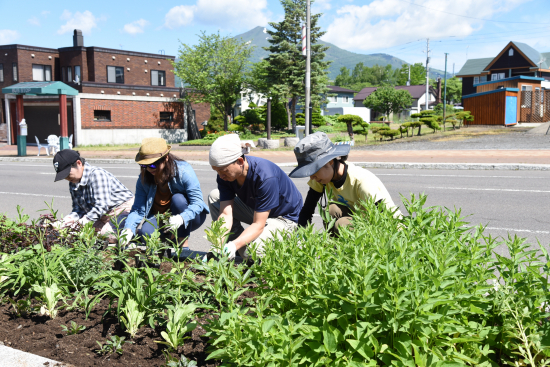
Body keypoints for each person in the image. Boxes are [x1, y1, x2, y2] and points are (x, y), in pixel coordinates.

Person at [208, 134, 303, 259]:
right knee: (215, 197)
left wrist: (234, 245)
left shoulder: (265, 176)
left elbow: (258, 224)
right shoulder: (225, 176)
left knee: (249, 251)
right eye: (217, 171)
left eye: (224, 171)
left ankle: (291, 245)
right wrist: (217, 246)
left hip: (285, 219)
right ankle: (235, 245)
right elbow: (226, 214)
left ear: (240, 161)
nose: (221, 176)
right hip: (260, 212)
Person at [289, 132, 401, 235]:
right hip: (360, 219)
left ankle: (348, 252)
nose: (312, 177)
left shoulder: (361, 181)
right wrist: (300, 236)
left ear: (330, 161)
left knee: (341, 224)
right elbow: (308, 209)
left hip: (387, 226)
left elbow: (384, 217)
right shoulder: (322, 179)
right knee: (330, 210)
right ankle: (337, 249)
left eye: (314, 170)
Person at [121, 138, 208, 250]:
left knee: (178, 199)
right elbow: (138, 209)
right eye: (144, 165)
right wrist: (128, 229)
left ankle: (183, 246)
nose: (148, 169)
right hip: (160, 217)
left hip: (190, 216)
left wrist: (181, 218)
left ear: (166, 158)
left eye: (153, 165)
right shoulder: (143, 179)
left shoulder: (183, 171)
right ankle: (170, 237)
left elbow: (198, 202)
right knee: (146, 233)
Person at [52, 149, 134, 239]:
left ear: (79, 163)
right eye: (64, 176)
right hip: (102, 215)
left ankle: (132, 230)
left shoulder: (97, 175)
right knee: (71, 230)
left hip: (121, 209)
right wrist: (64, 222)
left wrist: (82, 222)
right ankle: (104, 228)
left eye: (67, 174)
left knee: (106, 235)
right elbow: (78, 210)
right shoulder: (73, 182)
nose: (67, 178)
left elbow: (102, 206)